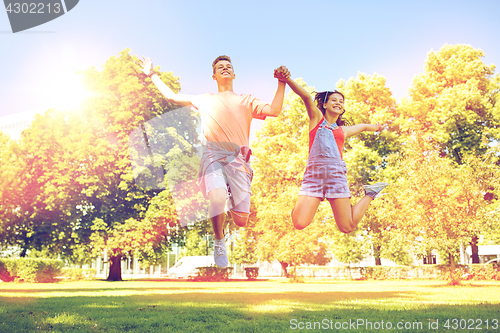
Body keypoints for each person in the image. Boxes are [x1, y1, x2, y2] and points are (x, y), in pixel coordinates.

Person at [140, 55, 289, 267]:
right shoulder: (205, 98)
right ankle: (219, 240)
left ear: (234, 74)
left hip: (239, 160)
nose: (225, 69)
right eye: (221, 67)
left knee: (241, 220)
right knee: (217, 197)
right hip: (213, 153)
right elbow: (172, 96)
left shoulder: (246, 100)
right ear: (214, 75)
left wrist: (281, 82)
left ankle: (229, 194)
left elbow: (274, 110)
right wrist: (152, 74)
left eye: (228, 66)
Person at [274, 68, 388, 233]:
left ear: (342, 109)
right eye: (334, 100)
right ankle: (301, 205)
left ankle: (370, 193)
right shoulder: (316, 119)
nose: (338, 103)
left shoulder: (343, 130)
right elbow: (306, 97)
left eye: (341, 102)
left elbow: (362, 127)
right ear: (325, 104)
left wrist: (377, 127)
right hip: (314, 177)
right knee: (299, 223)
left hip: (336, 176)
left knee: (346, 226)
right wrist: (287, 79)